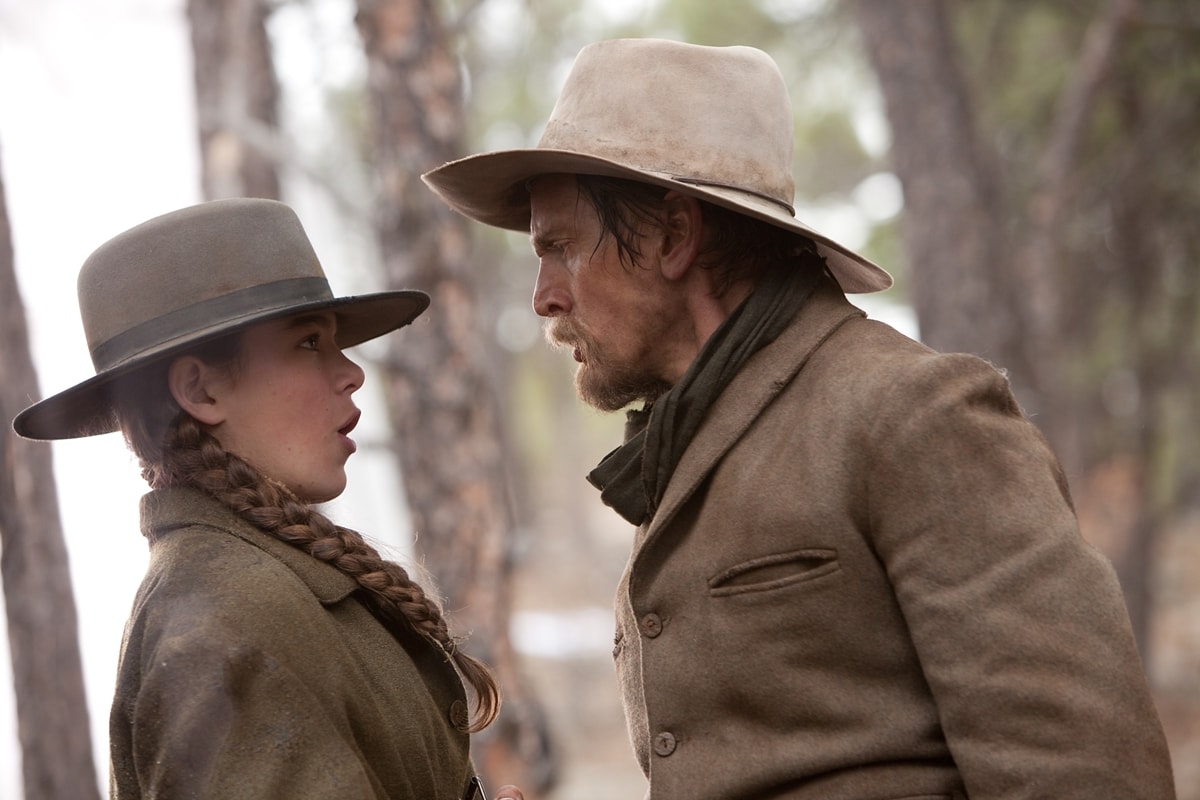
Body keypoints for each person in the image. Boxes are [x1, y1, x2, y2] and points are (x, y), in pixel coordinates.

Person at [422, 38, 1176, 799]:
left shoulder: (913, 413)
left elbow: (1086, 775)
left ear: (675, 237)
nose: (543, 296)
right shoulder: (693, 442)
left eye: (561, 248)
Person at [12, 198, 524, 800]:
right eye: (309, 343)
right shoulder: (228, 620)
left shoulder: (261, 587)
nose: (351, 373)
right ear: (200, 389)